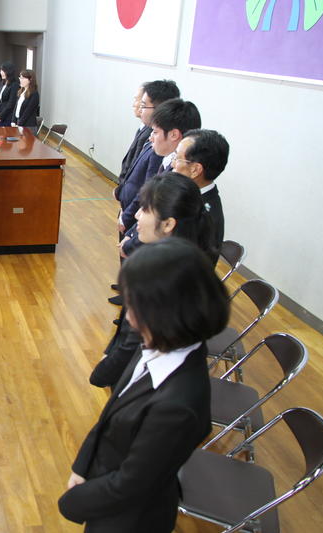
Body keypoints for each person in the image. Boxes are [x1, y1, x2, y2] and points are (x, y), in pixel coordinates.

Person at [59, 237, 229, 533]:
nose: (128, 316)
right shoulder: (156, 344)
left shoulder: (177, 407)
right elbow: (109, 415)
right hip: (104, 487)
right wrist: (83, 466)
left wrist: (72, 502)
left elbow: (130, 484)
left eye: (134, 305)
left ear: (165, 313)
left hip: (130, 519)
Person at [92, 172, 216, 390]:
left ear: (168, 224)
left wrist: (105, 367)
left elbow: (130, 347)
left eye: (145, 209)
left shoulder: (163, 285)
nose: (137, 215)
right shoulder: (178, 262)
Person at [119, 98, 202, 258]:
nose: (151, 137)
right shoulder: (167, 161)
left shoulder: (179, 177)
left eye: (155, 132)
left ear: (174, 135)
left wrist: (131, 243)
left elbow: (155, 213)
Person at [172, 128, 229, 253]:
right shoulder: (190, 193)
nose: (172, 164)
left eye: (177, 158)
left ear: (195, 170)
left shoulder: (202, 217)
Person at [0, 61, 19, 126]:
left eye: (3, 71)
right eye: (1, 70)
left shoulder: (15, 84)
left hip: (8, 117)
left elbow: (11, 104)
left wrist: (1, 116)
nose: (1, 72)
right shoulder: (2, 82)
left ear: (9, 72)